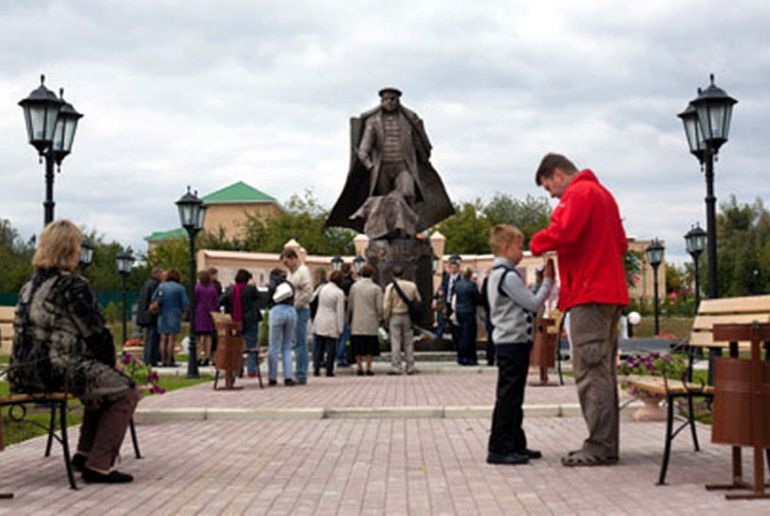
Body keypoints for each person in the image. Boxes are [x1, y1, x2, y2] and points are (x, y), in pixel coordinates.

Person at [9, 220, 140, 483]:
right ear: (70, 249)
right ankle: (100, 465)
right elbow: (96, 334)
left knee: (103, 387)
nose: (81, 251)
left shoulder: (29, 285)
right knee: (126, 390)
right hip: (55, 369)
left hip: (22, 372)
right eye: (78, 246)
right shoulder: (73, 286)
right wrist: (113, 363)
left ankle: (83, 454)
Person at [529, 153, 629, 467]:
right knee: (603, 370)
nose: (553, 196)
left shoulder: (579, 193)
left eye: (549, 188)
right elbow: (621, 244)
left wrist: (534, 243)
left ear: (558, 174)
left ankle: (598, 445)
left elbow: (563, 233)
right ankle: (605, 443)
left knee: (590, 370)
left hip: (589, 293)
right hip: (609, 294)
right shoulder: (604, 196)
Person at [325, 87, 454, 239]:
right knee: (383, 204)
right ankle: (386, 235)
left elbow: (419, 144)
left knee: (407, 194)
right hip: (381, 169)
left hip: (403, 166)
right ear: (381, 102)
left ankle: (407, 233)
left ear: (398, 101)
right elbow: (363, 150)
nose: (389, 102)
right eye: (386, 99)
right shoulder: (373, 122)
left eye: (392, 99)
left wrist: (423, 153)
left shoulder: (408, 121)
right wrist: (370, 166)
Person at [486, 224, 554, 466]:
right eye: (518, 246)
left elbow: (522, 300)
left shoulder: (500, 276)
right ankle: (500, 447)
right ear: (505, 248)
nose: (522, 252)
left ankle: (515, 442)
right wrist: (547, 282)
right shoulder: (507, 276)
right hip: (512, 342)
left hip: (509, 342)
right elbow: (533, 304)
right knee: (509, 397)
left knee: (513, 395)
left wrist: (536, 284)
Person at [220, 269, 263, 378]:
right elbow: (260, 300)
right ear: (248, 279)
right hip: (251, 320)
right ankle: (252, 371)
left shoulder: (231, 290)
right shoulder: (251, 289)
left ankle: (237, 370)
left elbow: (220, 300)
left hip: (235, 321)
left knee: (236, 346)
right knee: (252, 345)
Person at [383, 265, 421, 375]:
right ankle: (410, 366)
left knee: (395, 342)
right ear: (403, 274)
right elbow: (418, 300)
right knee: (408, 342)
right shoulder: (411, 286)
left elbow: (386, 305)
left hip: (394, 315)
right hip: (407, 316)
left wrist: (386, 318)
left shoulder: (390, 287)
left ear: (393, 275)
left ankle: (396, 366)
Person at [282, 248, 312, 385]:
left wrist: (296, 304)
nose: (286, 265)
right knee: (294, 342)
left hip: (300, 309)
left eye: (287, 262)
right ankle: (298, 371)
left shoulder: (303, 272)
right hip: (292, 309)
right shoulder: (291, 272)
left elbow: (308, 292)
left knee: (300, 343)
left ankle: (301, 373)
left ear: (294, 258)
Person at [348, 264, 383, 376]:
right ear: (372, 274)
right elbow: (379, 307)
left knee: (357, 346)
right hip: (371, 321)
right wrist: (380, 317)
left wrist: (350, 317)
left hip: (357, 320)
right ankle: (369, 367)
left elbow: (351, 305)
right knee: (370, 346)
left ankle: (359, 367)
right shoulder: (376, 288)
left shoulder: (354, 287)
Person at [152, 268, 189, 367]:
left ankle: (163, 360)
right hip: (175, 314)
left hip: (162, 314)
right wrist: (183, 312)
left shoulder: (161, 286)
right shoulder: (180, 288)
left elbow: (153, 298)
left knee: (163, 338)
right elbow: (185, 303)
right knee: (171, 339)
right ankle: (169, 360)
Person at [312, 271, 346, 377]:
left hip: (319, 317)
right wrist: (340, 328)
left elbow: (312, 299)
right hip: (331, 320)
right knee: (331, 348)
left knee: (318, 347)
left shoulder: (322, 288)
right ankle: (329, 370)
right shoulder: (339, 293)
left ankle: (316, 369)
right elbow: (340, 312)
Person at [267, 268, 297, 386]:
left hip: (277, 311)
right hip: (291, 311)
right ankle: (288, 377)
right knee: (287, 347)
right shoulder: (289, 284)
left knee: (274, 346)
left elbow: (269, 300)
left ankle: (272, 377)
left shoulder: (273, 284)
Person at [453, 267, 482, 366]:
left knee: (461, 335)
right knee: (469, 335)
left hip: (459, 312)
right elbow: (478, 299)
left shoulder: (457, 285)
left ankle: (461, 357)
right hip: (469, 311)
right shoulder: (472, 285)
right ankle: (469, 358)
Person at [136, 267, 163, 366]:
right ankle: (151, 359)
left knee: (150, 337)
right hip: (151, 315)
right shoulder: (155, 285)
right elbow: (155, 300)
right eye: (161, 273)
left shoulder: (147, 283)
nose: (163, 276)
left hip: (145, 313)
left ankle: (148, 358)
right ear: (157, 274)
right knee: (153, 337)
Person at [193, 270, 218, 365]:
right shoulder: (212, 288)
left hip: (199, 314)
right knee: (208, 336)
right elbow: (216, 302)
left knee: (198, 337)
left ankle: (198, 356)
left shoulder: (197, 288)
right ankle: (207, 356)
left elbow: (194, 301)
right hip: (209, 314)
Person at [336, 262, 354, 367]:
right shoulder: (349, 283)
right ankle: (341, 357)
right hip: (346, 311)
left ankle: (338, 356)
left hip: (337, 311)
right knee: (345, 335)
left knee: (338, 336)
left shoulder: (338, 282)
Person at [441, 256, 462, 349]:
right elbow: (443, 287)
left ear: (458, 268)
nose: (453, 269)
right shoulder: (447, 277)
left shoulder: (460, 278)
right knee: (448, 322)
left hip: (457, 303)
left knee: (456, 323)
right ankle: (452, 341)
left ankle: (457, 342)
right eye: (451, 267)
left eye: (455, 267)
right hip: (448, 302)